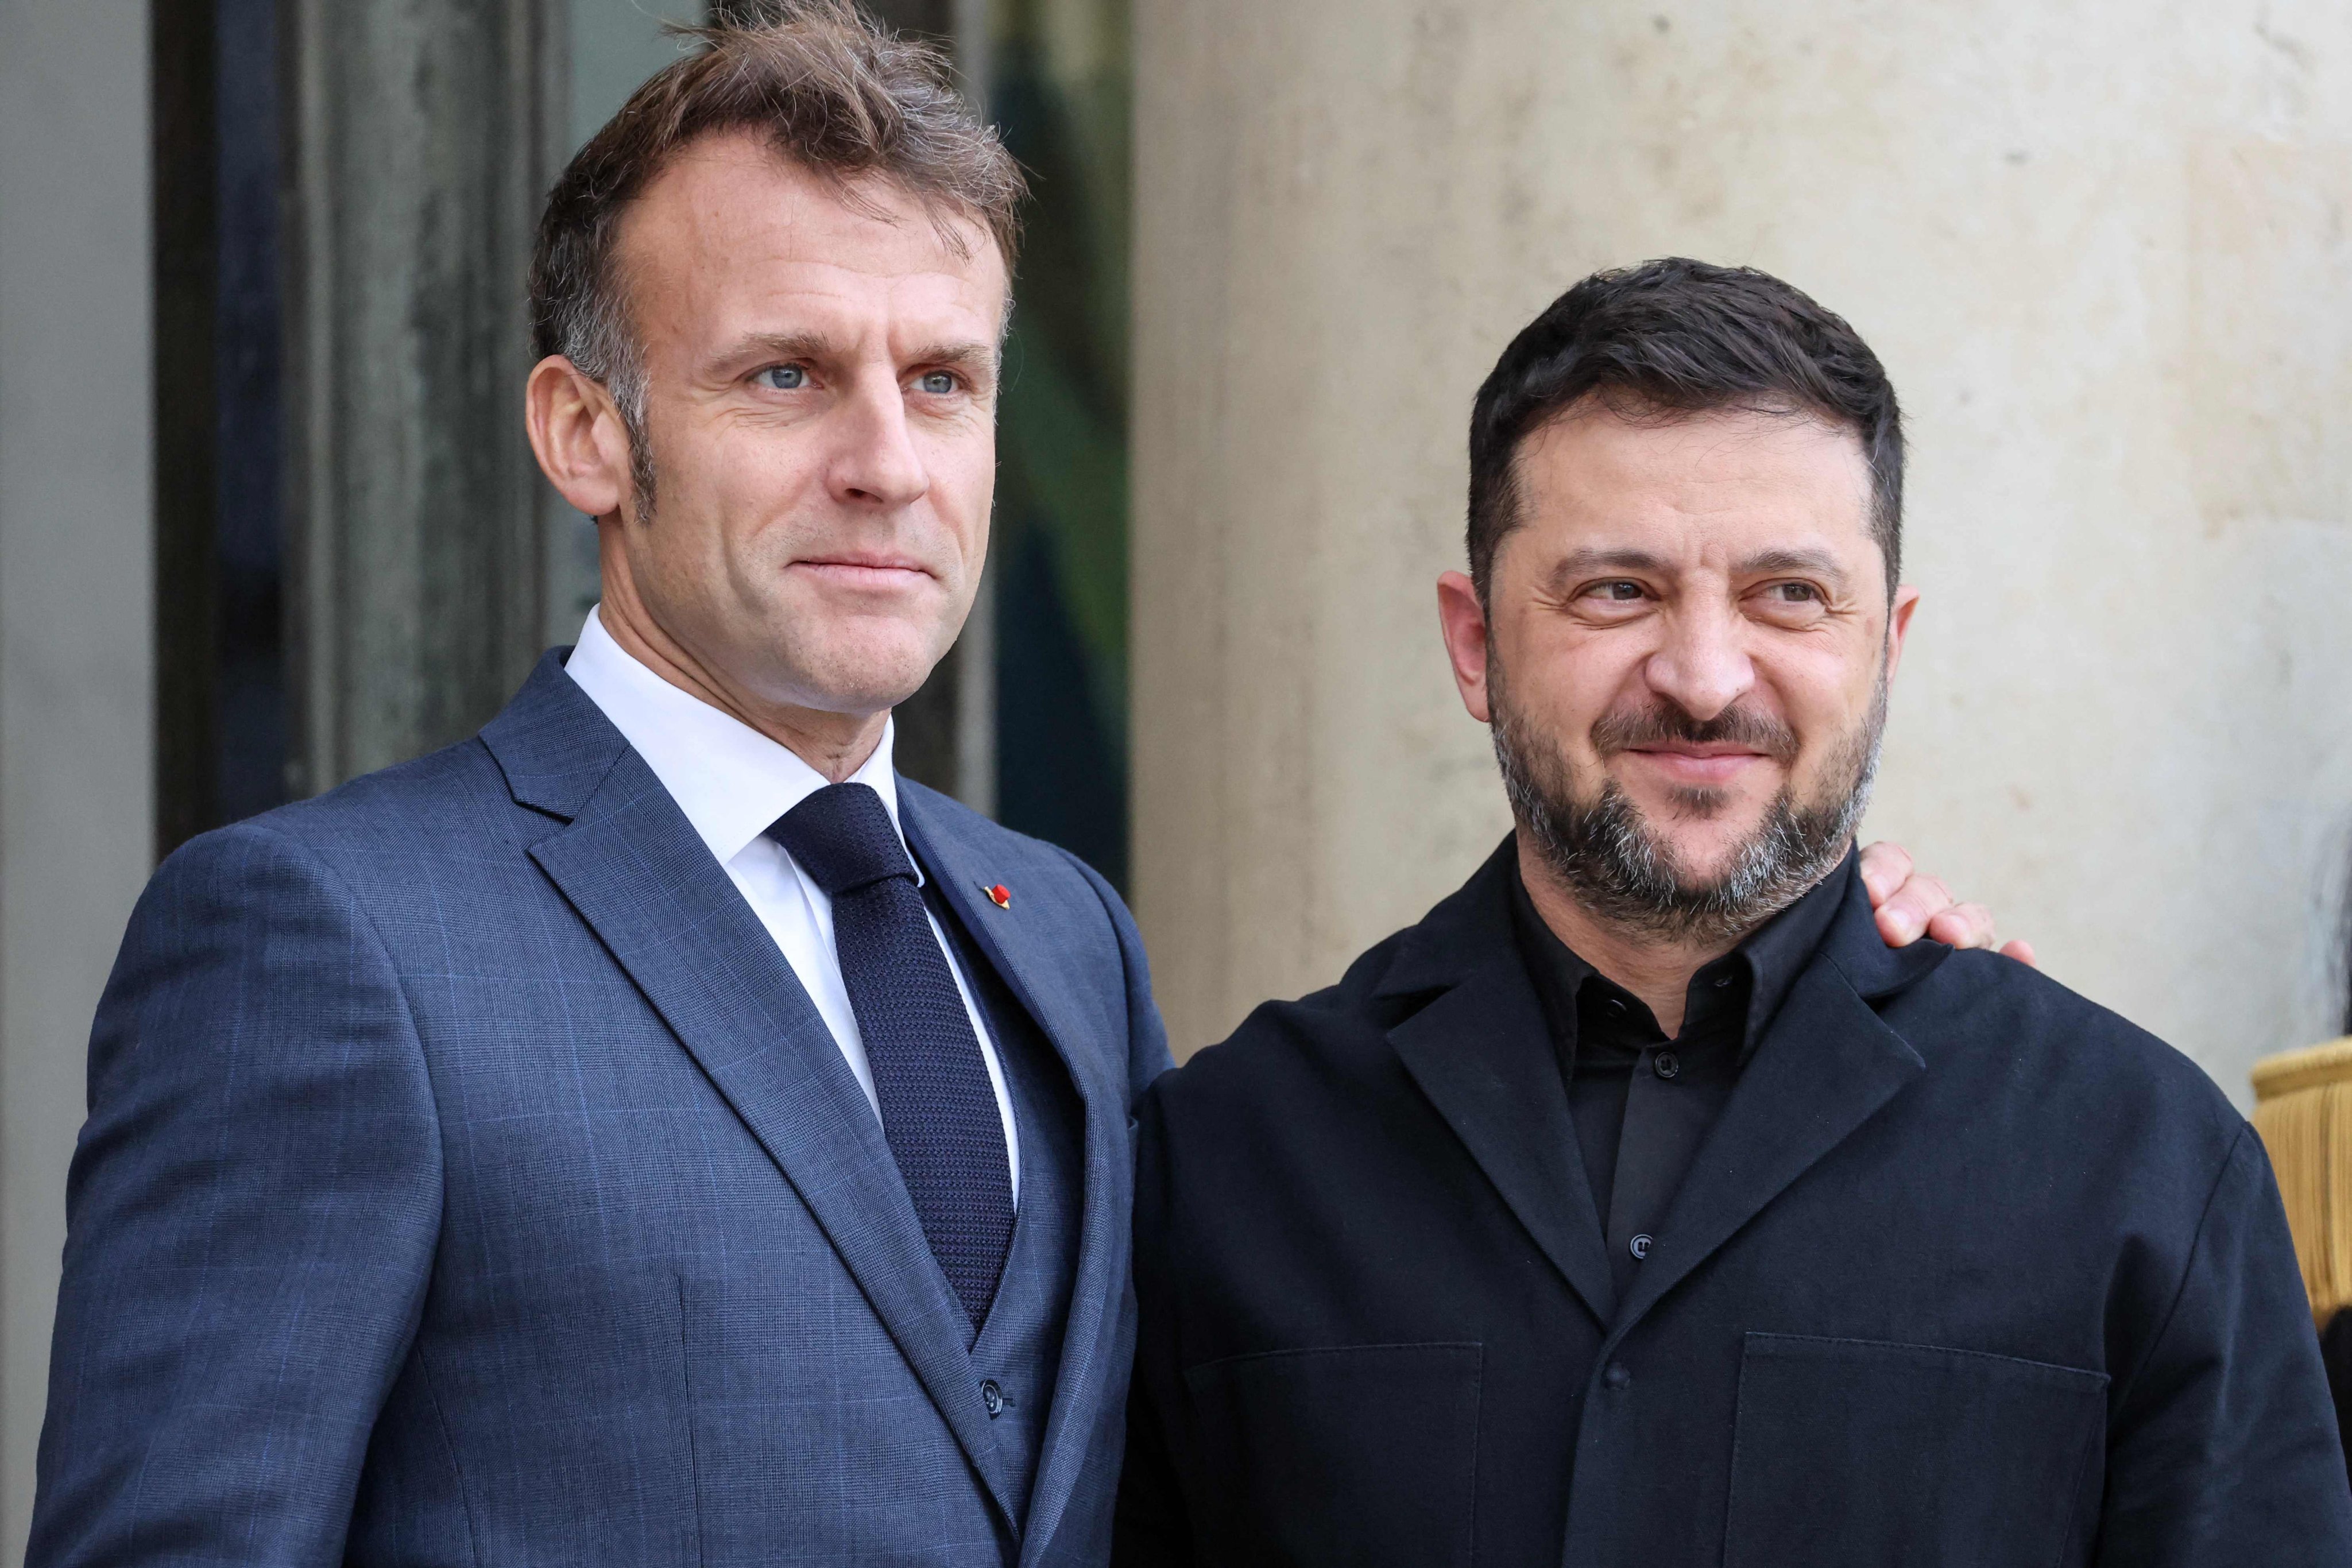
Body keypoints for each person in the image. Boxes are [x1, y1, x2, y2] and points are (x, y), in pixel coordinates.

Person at [26, 9, 1998, 1565]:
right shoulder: (324, 940)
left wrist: (1814, 977)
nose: (887, 460)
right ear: (585, 432)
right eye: (786, 376)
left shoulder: (1051, 929)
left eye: (945, 379)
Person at [1112, 259, 2352, 1566]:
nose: (1703, 679)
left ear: (1886, 645)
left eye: (1787, 595)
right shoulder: (1229, 1158)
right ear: (1474, 642)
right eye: (1616, 590)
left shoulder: (2143, 1163)